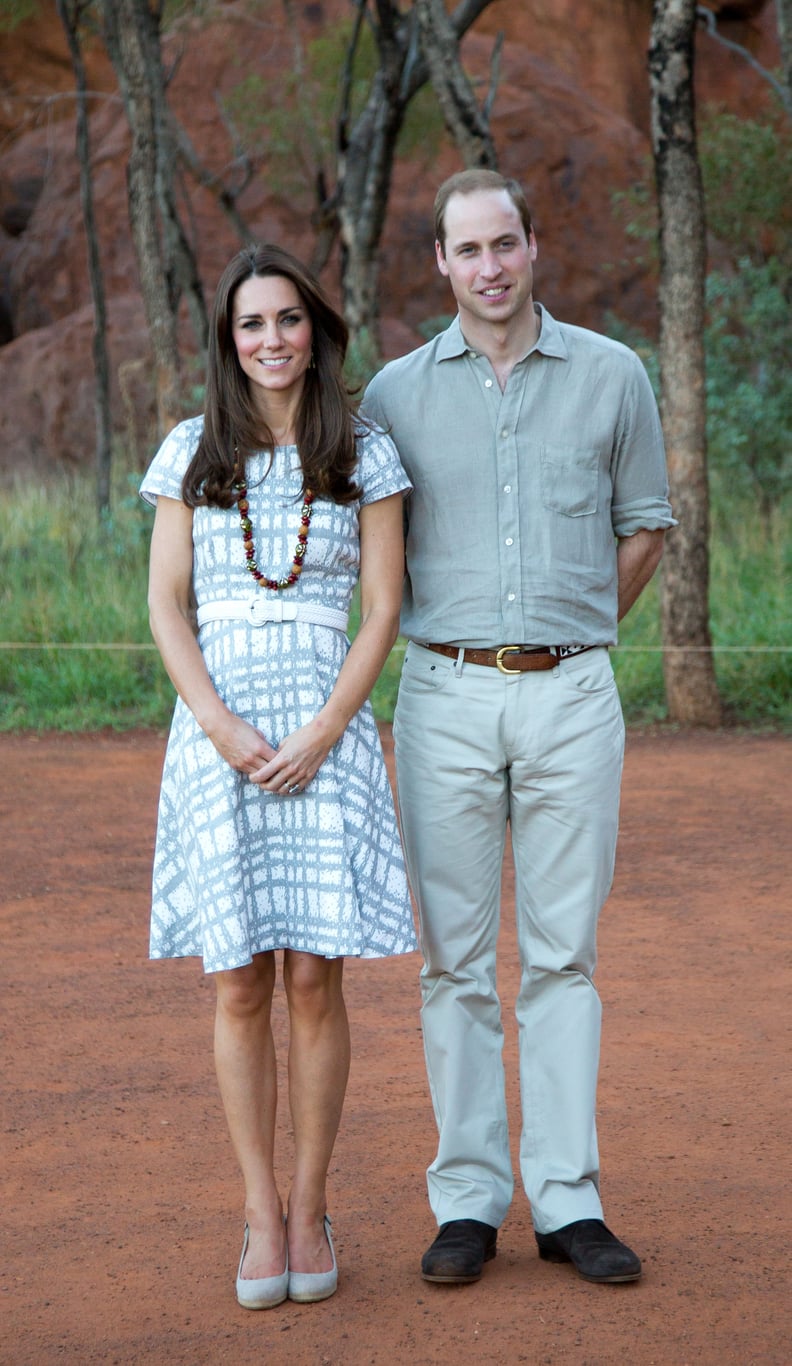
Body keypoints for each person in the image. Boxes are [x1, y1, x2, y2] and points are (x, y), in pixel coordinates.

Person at [362, 169, 675, 1287]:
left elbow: (644, 526)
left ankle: (569, 1201)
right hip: (441, 693)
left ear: (533, 246)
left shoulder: (612, 375)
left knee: (562, 957)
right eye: (467, 250)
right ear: (439, 264)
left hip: (572, 695)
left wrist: (575, 634)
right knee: (453, 961)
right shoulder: (393, 397)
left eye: (506, 244)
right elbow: (375, 556)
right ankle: (467, 1201)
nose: (489, 267)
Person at [140, 243, 417, 1310]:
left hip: (326, 729)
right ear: (228, 339)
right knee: (240, 977)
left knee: (314, 976)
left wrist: (326, 729)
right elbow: (168, 605)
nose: (272, 341)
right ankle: (258, 1211)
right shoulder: (189, 450)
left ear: (317, 332)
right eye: (252, 324)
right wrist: (217, 723)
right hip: (219, 741)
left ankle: (312, 1204)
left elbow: (384, 606)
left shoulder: (364, 449)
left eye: (289, 321)